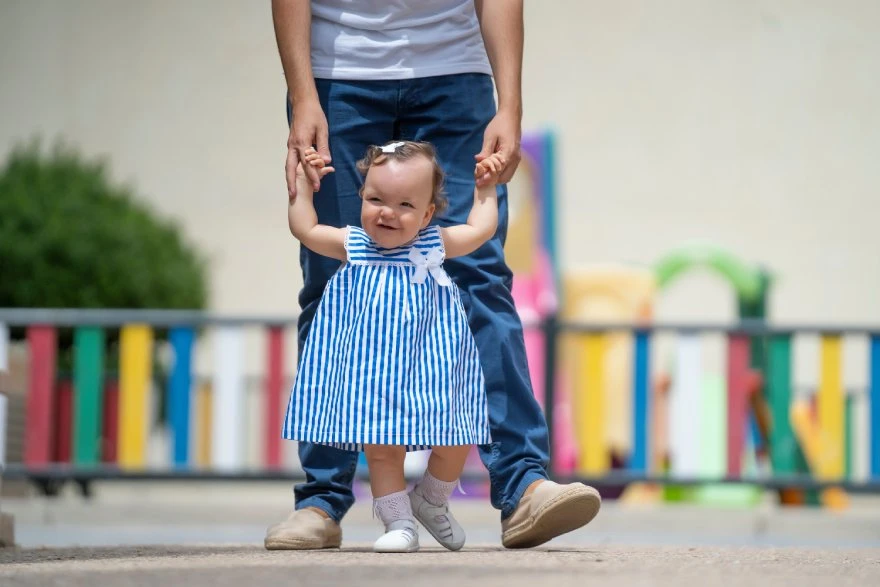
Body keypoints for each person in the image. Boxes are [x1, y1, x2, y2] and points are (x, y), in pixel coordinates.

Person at [266, 0, 601, 551]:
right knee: (333, 286)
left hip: (457, 71)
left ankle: (521, 484)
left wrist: (509, 102)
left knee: (480, 279)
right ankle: (321, 501)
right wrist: (303, 95)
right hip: (337, 74)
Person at [284, 140, 506, 553]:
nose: (388, 212)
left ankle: (431, 500)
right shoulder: (354, 245)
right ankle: (398, 521)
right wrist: (301, 180)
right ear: (362, 198)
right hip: (374, 373)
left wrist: (486, 189)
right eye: (375, 199)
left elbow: (481, 229)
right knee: (382, 450)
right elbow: (306, 229)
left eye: (405, 204)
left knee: (456, 436)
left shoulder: (432, 244)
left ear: (426, 214)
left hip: (431, 366)